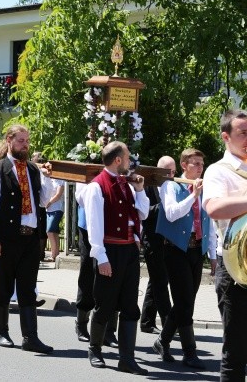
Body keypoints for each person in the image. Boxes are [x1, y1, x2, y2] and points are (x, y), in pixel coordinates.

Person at [0, 124, 54, 353]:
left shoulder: (32, 169)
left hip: (30, 238)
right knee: (3, 286)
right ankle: (2, 332)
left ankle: (30, 337)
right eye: (21, 140)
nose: (25, 145)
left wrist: (49, 178)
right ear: (9, 140)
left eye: (27, 141)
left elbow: (43, 201)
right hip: (7, 237)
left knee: (28, 288)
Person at [83, 141, 149, 375]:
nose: (131, 161)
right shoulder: (96, 187)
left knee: (130, 306)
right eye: (128, 157)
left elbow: (143, 212)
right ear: (118, 160)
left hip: (130, 251)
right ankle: (94, 349)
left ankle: (127, 358)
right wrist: (101, 257)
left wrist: (140, 190)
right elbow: (94, 226)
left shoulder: (128, 185)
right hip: (109, 252)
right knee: (105, 305)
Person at [152, 148, 216, 369]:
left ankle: (162, 340)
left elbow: (210, 221)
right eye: (195, 164)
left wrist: (213, 254)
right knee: (185, 302)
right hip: (176, 249)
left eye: (201, 164)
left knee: (184, 301)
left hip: (197, 250)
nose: (200, 167)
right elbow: (172, 213)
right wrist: (193, 195)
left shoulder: (203, 187)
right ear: (184, 166)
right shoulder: (171, 186)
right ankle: (190, 352)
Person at [202, 109, 247, 382]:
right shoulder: (217, 171)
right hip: (236, 272)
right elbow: (215, 208)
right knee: (236, 353)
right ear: (226, 137)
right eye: (243, 133)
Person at [74, 183, 120, 347]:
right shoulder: (88, 170)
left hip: (111, 228)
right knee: (87, 274)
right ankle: (81, 324)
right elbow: (80, 198)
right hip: (89, 227)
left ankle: (109, 331)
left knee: (112, 276)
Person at [139, 156, 174, 334]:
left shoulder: (173, 188)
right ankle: (168, 323)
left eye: (174, 171)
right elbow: (144, 212)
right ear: (159, 171)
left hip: (166, 240)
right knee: (160, 281)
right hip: (151, 239)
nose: (171, 175)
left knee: (157, 279)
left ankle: (146, 321)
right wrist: (163, 207)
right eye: (168, 172)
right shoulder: (148, 186)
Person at [45, 178, 65, 262]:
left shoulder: (61, 181)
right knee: (54, 232)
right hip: (49, 209)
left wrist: (48, 203)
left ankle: (53, 255)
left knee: (49, 231)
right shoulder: (49, 179)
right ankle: (56, 254)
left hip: (57, 208)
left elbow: (58, 195)